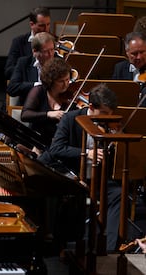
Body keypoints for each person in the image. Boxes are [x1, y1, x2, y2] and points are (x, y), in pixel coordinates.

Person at [39, 83, 122, 252]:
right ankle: (66, 246)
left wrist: (116, 143)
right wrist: (87, 153)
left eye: (110, 114)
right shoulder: (71, 118)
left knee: (118, 194)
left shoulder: (111, 123)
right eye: (104, 113)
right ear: (91, 107)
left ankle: (110, 249)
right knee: (71, 194)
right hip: (72, 173)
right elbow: (56, 149)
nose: (108, 118)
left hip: (97, 177)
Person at [20, 57, 71, 147]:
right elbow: (25, 115)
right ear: (51, 81)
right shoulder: (39, 91)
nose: (66, 84)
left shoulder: (71, 95)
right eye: (61, 81)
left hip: (61, 144)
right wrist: (48, 114)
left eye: (67, 80)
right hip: (37, 140)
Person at [6, 31, 58, 106]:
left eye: (52, 49)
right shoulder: (24, 63)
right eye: (46, 51)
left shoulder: (59, 62)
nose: (50, 54)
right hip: (29, 107)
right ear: (34, 52)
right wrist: (36, 85)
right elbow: (12, 88)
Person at [4, 7, 51, 80]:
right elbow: (9, 70)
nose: (46, 29)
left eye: (48, 24)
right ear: (32, 24)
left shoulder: (54, 41)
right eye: (41, 25)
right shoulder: (19, 42)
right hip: (26, 85)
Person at [112, 31, 146, 107]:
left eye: (142, 52)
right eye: (134, 53)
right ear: (127, 52)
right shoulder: (120, 68)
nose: (139, 57)